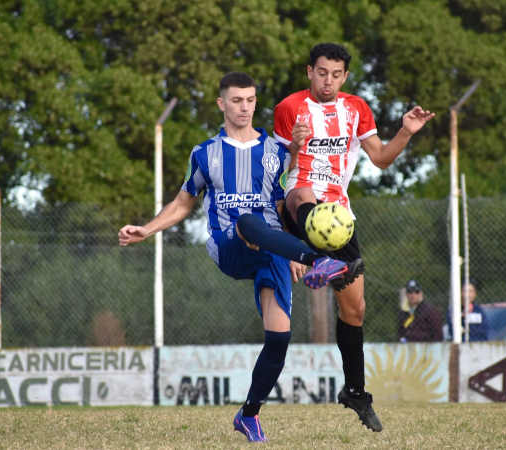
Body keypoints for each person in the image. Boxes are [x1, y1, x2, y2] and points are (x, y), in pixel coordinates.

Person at [118, 72, 348, 442]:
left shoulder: (275, 150)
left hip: (273, 248)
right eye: (237, 100)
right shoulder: (205, 153)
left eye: (250, 100)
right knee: (247, 220)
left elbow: (281, 205)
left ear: (256, 102)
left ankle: (249, 414)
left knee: (279, 337)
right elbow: (182, 203)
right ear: (221, 104)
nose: (244, 107)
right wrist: (147, 229)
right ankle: (317, 259)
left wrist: (288, 243)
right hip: (232, 245)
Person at [273, 42, 435, 432]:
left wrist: (406, 132)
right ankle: (311, 256)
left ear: (344, 76)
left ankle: (355, 392)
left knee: (354, 310)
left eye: (336, 74)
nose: (327, 81)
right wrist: (289, 244)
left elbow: (380, 158)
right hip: (298, 204)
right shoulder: (288, 108)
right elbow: (277, 173)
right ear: (309, 71)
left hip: (339, 219)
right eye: (321, 72)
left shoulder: (356, 108)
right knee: (303, 193)